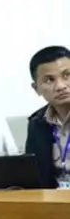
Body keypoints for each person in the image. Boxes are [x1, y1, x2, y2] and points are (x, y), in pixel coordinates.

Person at [25, 45, 70, 189]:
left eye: (67, 75)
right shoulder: (36, 123)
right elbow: (34, 177)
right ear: (36, 88)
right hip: (53, 204)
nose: (60, 86)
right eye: (49, 80)